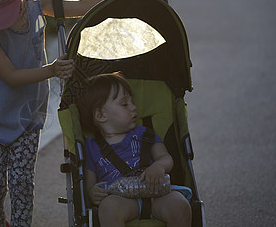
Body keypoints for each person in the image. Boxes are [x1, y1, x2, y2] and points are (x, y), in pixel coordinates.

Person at [0, 0, 155, 227]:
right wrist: (52, 70)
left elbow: (80, 6)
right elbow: (10, 75)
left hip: (27, 115)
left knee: (21, 187)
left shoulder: (35, 4)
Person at [77, 72, 192, 227]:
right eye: (125, 104)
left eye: (132, 101)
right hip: (121, 200)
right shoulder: (92, 146)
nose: (133, 107)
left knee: (180, 204)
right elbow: (90, 183)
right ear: (100, 115)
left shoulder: (145, 134)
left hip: (156, 193)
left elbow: (166, 158)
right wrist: (92, 192)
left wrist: (159, 166)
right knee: (108, 208)